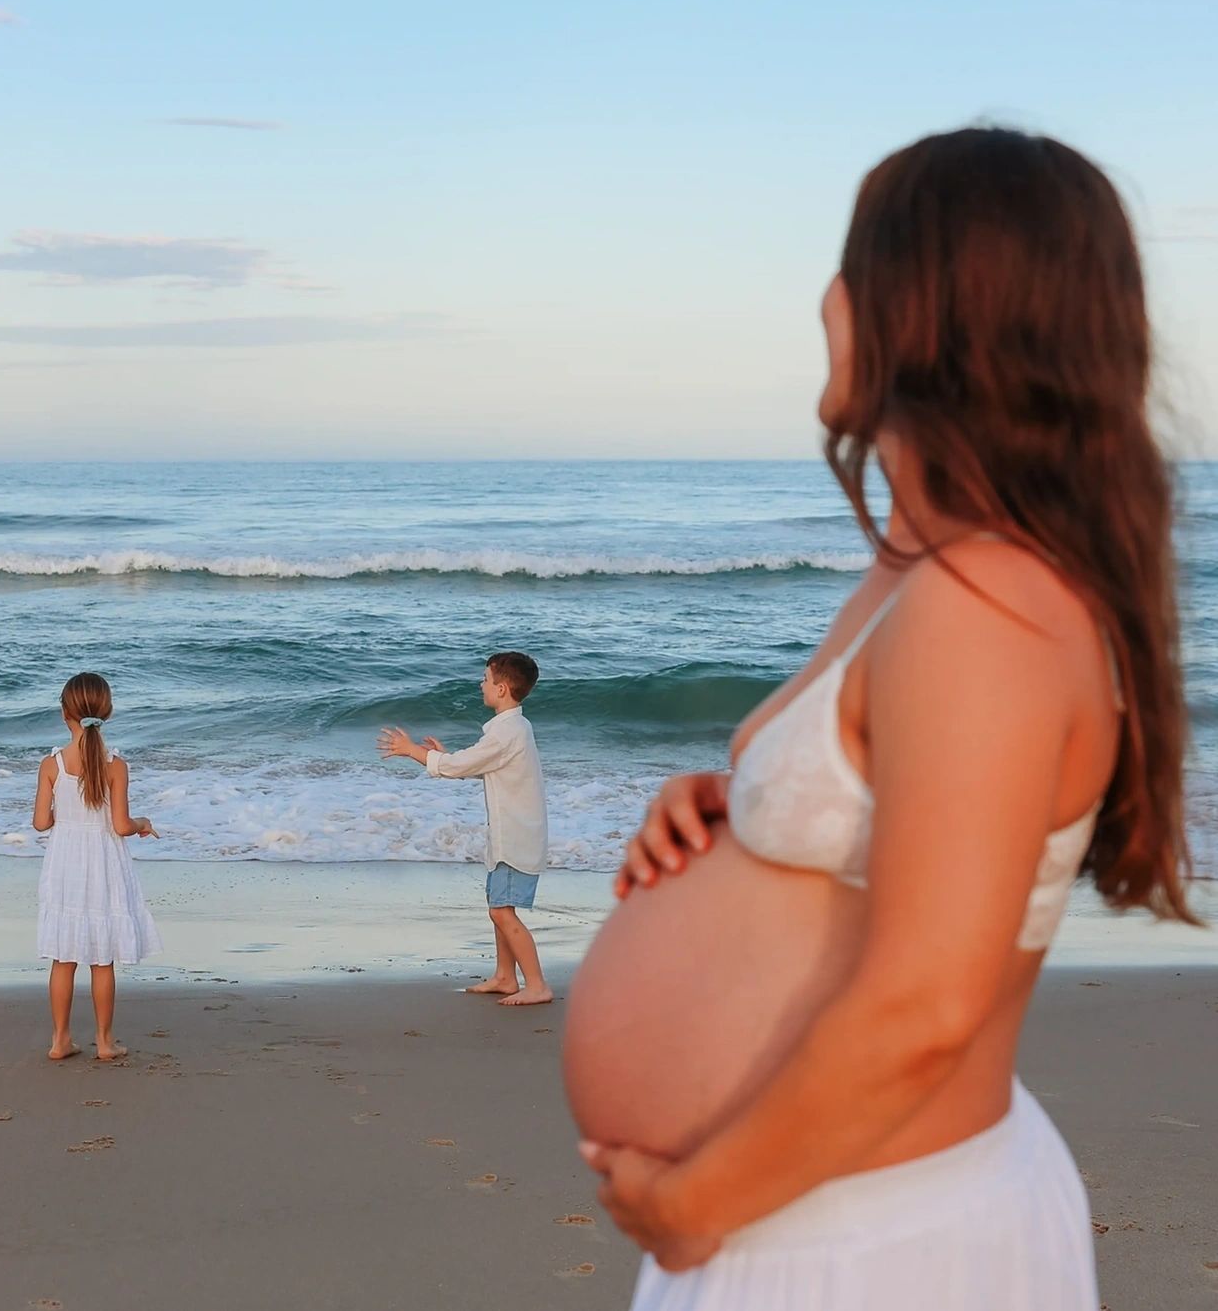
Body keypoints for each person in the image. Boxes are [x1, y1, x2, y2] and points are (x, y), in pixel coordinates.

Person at [569, 127, 1196, 1309]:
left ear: (926, 308)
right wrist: (745, 811)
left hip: (862, 1242)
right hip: (811, 1212)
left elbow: (926, 1003)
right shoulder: (926, 570)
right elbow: (892, 816)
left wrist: (694, 1208)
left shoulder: (991, 603)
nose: (825, 295)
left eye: (853, 260)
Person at [379, 651, 551, 1005]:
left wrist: (415, 752)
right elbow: (480, 763)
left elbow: (464, 764)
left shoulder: (507, 733)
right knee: (500, 906)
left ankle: (537, 985)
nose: (481, 684)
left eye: (485, 679)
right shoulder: (514, 728)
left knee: (501, 911)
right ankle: (505, 976)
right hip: (513, 833)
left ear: (502, 689)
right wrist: (446, 757)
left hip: (516, 836)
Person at [31, 672, 161, 1061]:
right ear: (107, 712)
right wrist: (143, 824)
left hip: (66, 863)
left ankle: (60, 1040)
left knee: (63, 955)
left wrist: (62, 814)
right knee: (102, 959)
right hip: (104, 863)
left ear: (64, 713)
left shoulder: (51, 764)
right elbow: (121, 825)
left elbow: (41, 822)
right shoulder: (115, 765)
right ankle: (105, 1042)